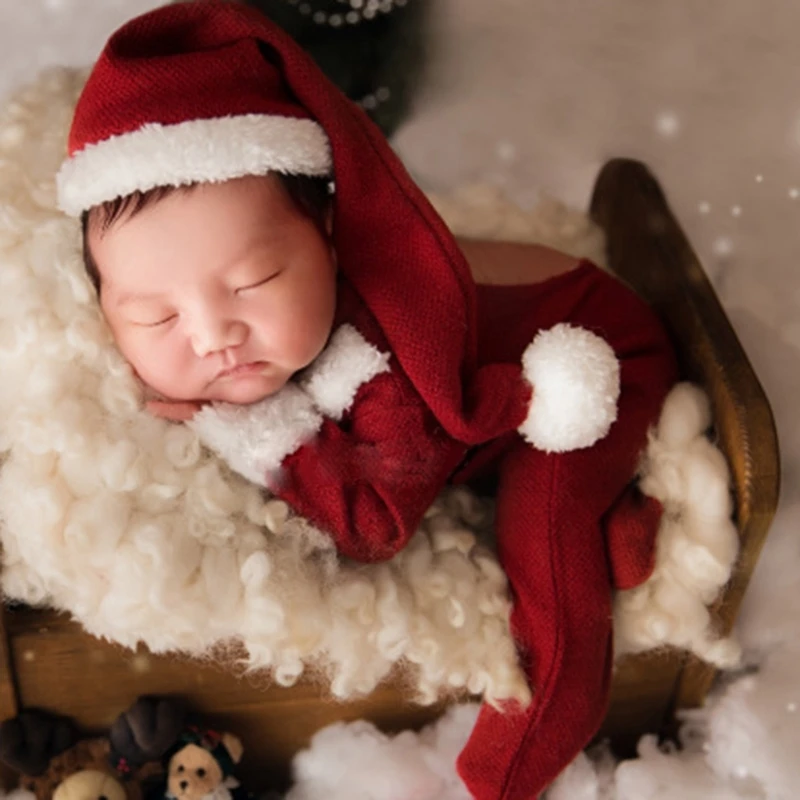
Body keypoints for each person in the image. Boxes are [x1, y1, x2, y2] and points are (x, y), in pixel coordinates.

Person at [56, 2, 679, 797]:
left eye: (256, 282)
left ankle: (520, 758)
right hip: (512, 344)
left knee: (543, 540)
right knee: (569, 513)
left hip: (593, 354)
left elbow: (376, 524)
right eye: (157, 316)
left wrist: (253, 427)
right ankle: (618, 517)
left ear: (328, 230)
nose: (216, 336)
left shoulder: (378, 361)